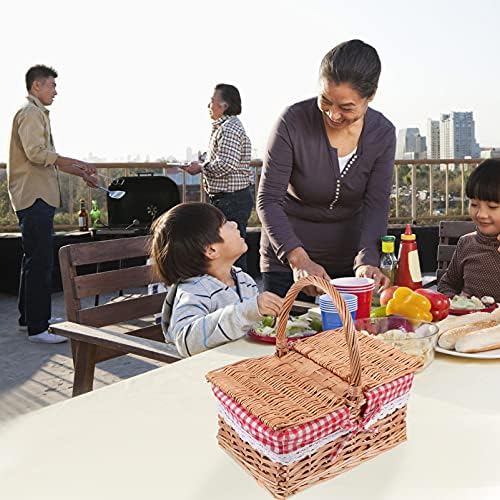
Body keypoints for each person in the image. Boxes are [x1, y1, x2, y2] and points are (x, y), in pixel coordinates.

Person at [257, 40, 396, 298]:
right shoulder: (292, 122)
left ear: (371, 96)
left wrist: (367, 260)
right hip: (288, 261)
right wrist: (299, 260)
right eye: (326, 101)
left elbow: (376, 204)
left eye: (346, 107)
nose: (333, 115)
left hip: (348, 267)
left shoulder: (382, 134)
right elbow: (268, 200)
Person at [7, 65, 99, 344]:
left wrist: (79, 169)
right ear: (37, 86)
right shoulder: (31, 113)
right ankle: (39, 327)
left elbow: (46, 157)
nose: (55, 91)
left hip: (34, 194)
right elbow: (37, 154)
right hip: (34, 196)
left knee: (32, 259)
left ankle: (29, 319)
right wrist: (72, 163)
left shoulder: (34, 113)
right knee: (41, 262)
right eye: (51, 85)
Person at [149, 202, 283, 357]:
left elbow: (254, 326)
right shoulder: (194, 290)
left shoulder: (243, 279)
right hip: (212, 371)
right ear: (211, 250)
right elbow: (186, 340)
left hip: (247, 367)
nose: (234, 224)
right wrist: (248, 311)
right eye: (224, 223)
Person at [185, 84, 253, 270]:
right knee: (230, 252)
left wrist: (201, 168)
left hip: (232, 199)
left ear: (223, 105)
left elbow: (226, 164)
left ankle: (242, 295)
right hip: (229, 199)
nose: (209, 105)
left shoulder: (229, 129)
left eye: (212, 101)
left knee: (232, 253)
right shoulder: (225, 126)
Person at [438, 159, 500, 302]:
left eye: (492, 207)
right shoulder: (466, 244)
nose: (481, 214)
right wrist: (458, 303)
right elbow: (447, 284)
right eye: (474, 204)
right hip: (469, 321)